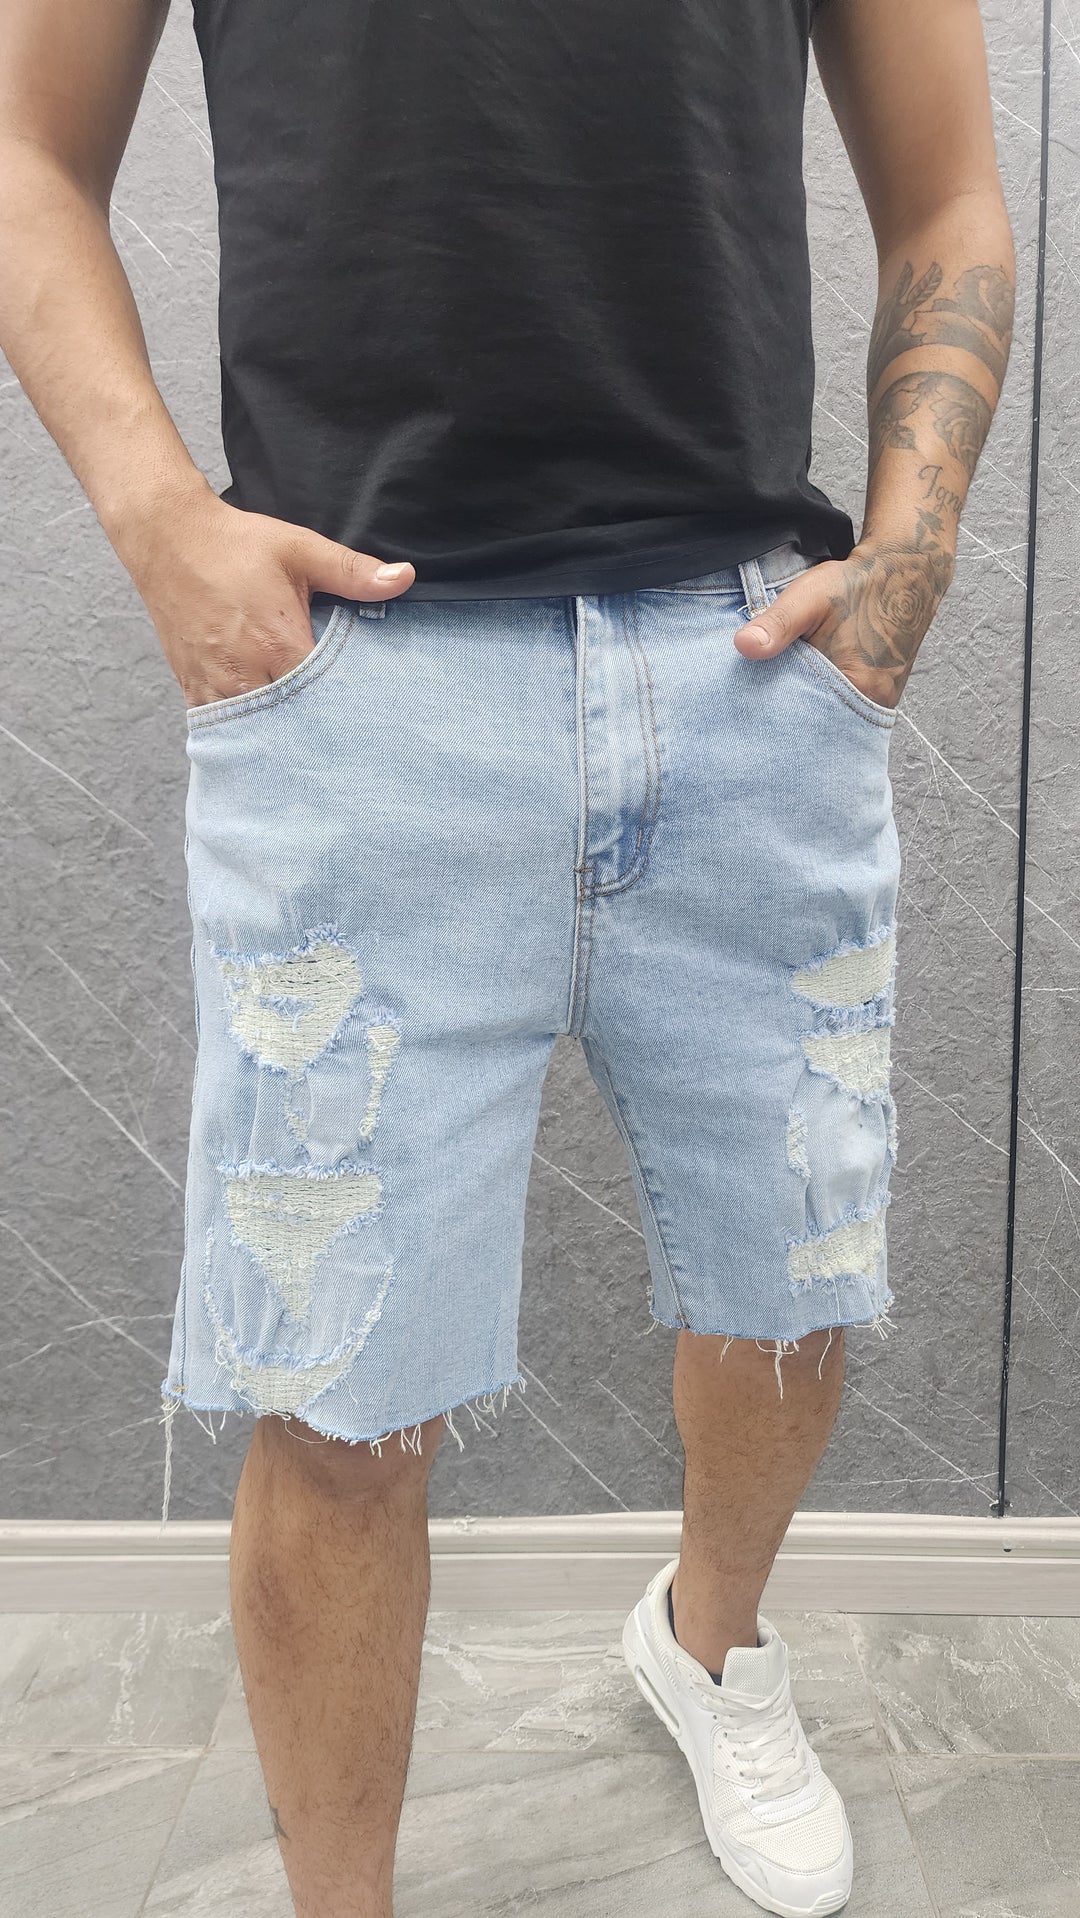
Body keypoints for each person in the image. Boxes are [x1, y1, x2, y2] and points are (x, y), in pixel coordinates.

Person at [0, 1, 1013, 1912]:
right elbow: (26, 149)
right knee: (339, 1391)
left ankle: (711, 1647)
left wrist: (910, 557)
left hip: (750, 675)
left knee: (789, 1282)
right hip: (360, 693)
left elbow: (949, 188)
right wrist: (163, 525)